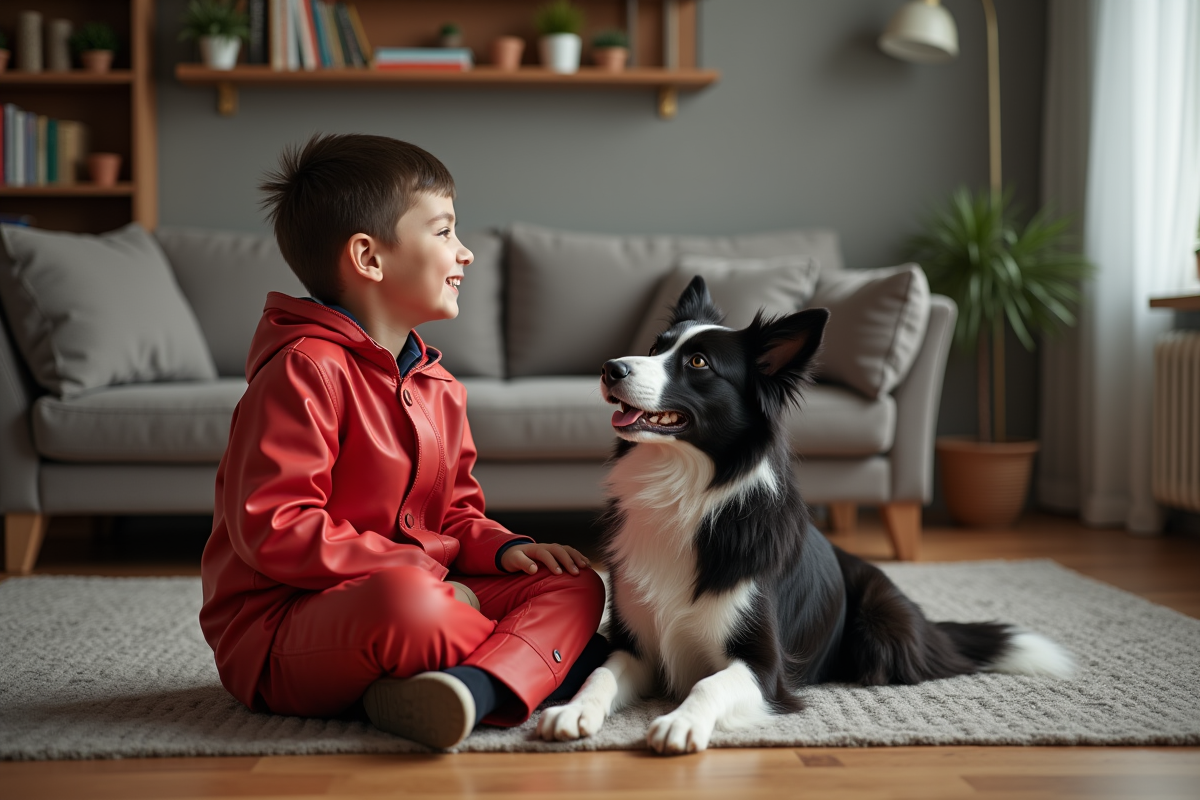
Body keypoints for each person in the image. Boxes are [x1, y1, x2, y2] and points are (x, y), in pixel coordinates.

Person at [199, 133, 608, 749]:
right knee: (411, 603)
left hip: (426, 595)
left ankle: (467, 688)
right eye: (443, 232)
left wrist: (503, 552)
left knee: (574, 583)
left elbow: (456, 516)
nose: (465, 252)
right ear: (368, 258)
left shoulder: (438, 384)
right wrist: (427, 575)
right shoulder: (303, 370)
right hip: (282, 633)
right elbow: (275, 527)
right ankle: (555, 664)